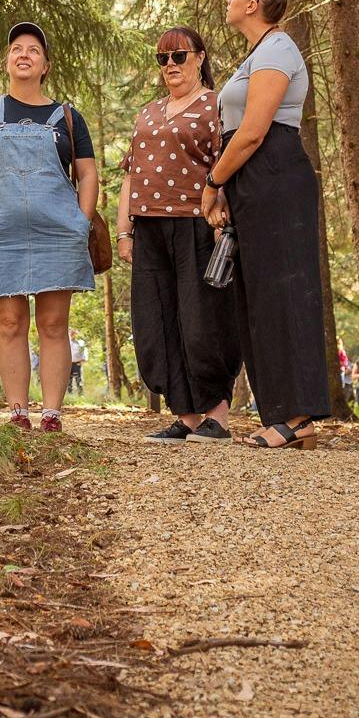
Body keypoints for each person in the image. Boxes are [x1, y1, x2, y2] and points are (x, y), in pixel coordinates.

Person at [203, 0, 330, 450]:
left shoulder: (278, 48)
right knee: (256, 297)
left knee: (285, 294)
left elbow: (255, 130)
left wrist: (213, 183)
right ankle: (279, 411)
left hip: (276, 173)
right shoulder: (255, 55)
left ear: (253, 4)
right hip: (251, 179)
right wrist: (228, 189)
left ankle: (298, 416)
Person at [0, 21, 97, 433]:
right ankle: (18, 413)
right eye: (17, 48)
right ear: (6, 62)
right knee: (11, 324)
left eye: (33, 50)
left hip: (59, 235)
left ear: (45, 65)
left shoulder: (68, 118)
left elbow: (87, 175)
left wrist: (81, 223)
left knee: (54, 325)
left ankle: (52, 413)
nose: (24, 54)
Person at [118, 25, 239, 443]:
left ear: (200, 58)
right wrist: (124, 231)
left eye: (179, 56)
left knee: (201, 319)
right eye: (163, 59)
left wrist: (221, 210)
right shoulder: (148, 113)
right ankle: (185, 414)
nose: (170, 65)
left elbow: (226, 164)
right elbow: (131, 174)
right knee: (159, 320)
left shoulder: (215, 105)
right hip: (148, 229)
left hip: (195, 225)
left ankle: (218, 414)